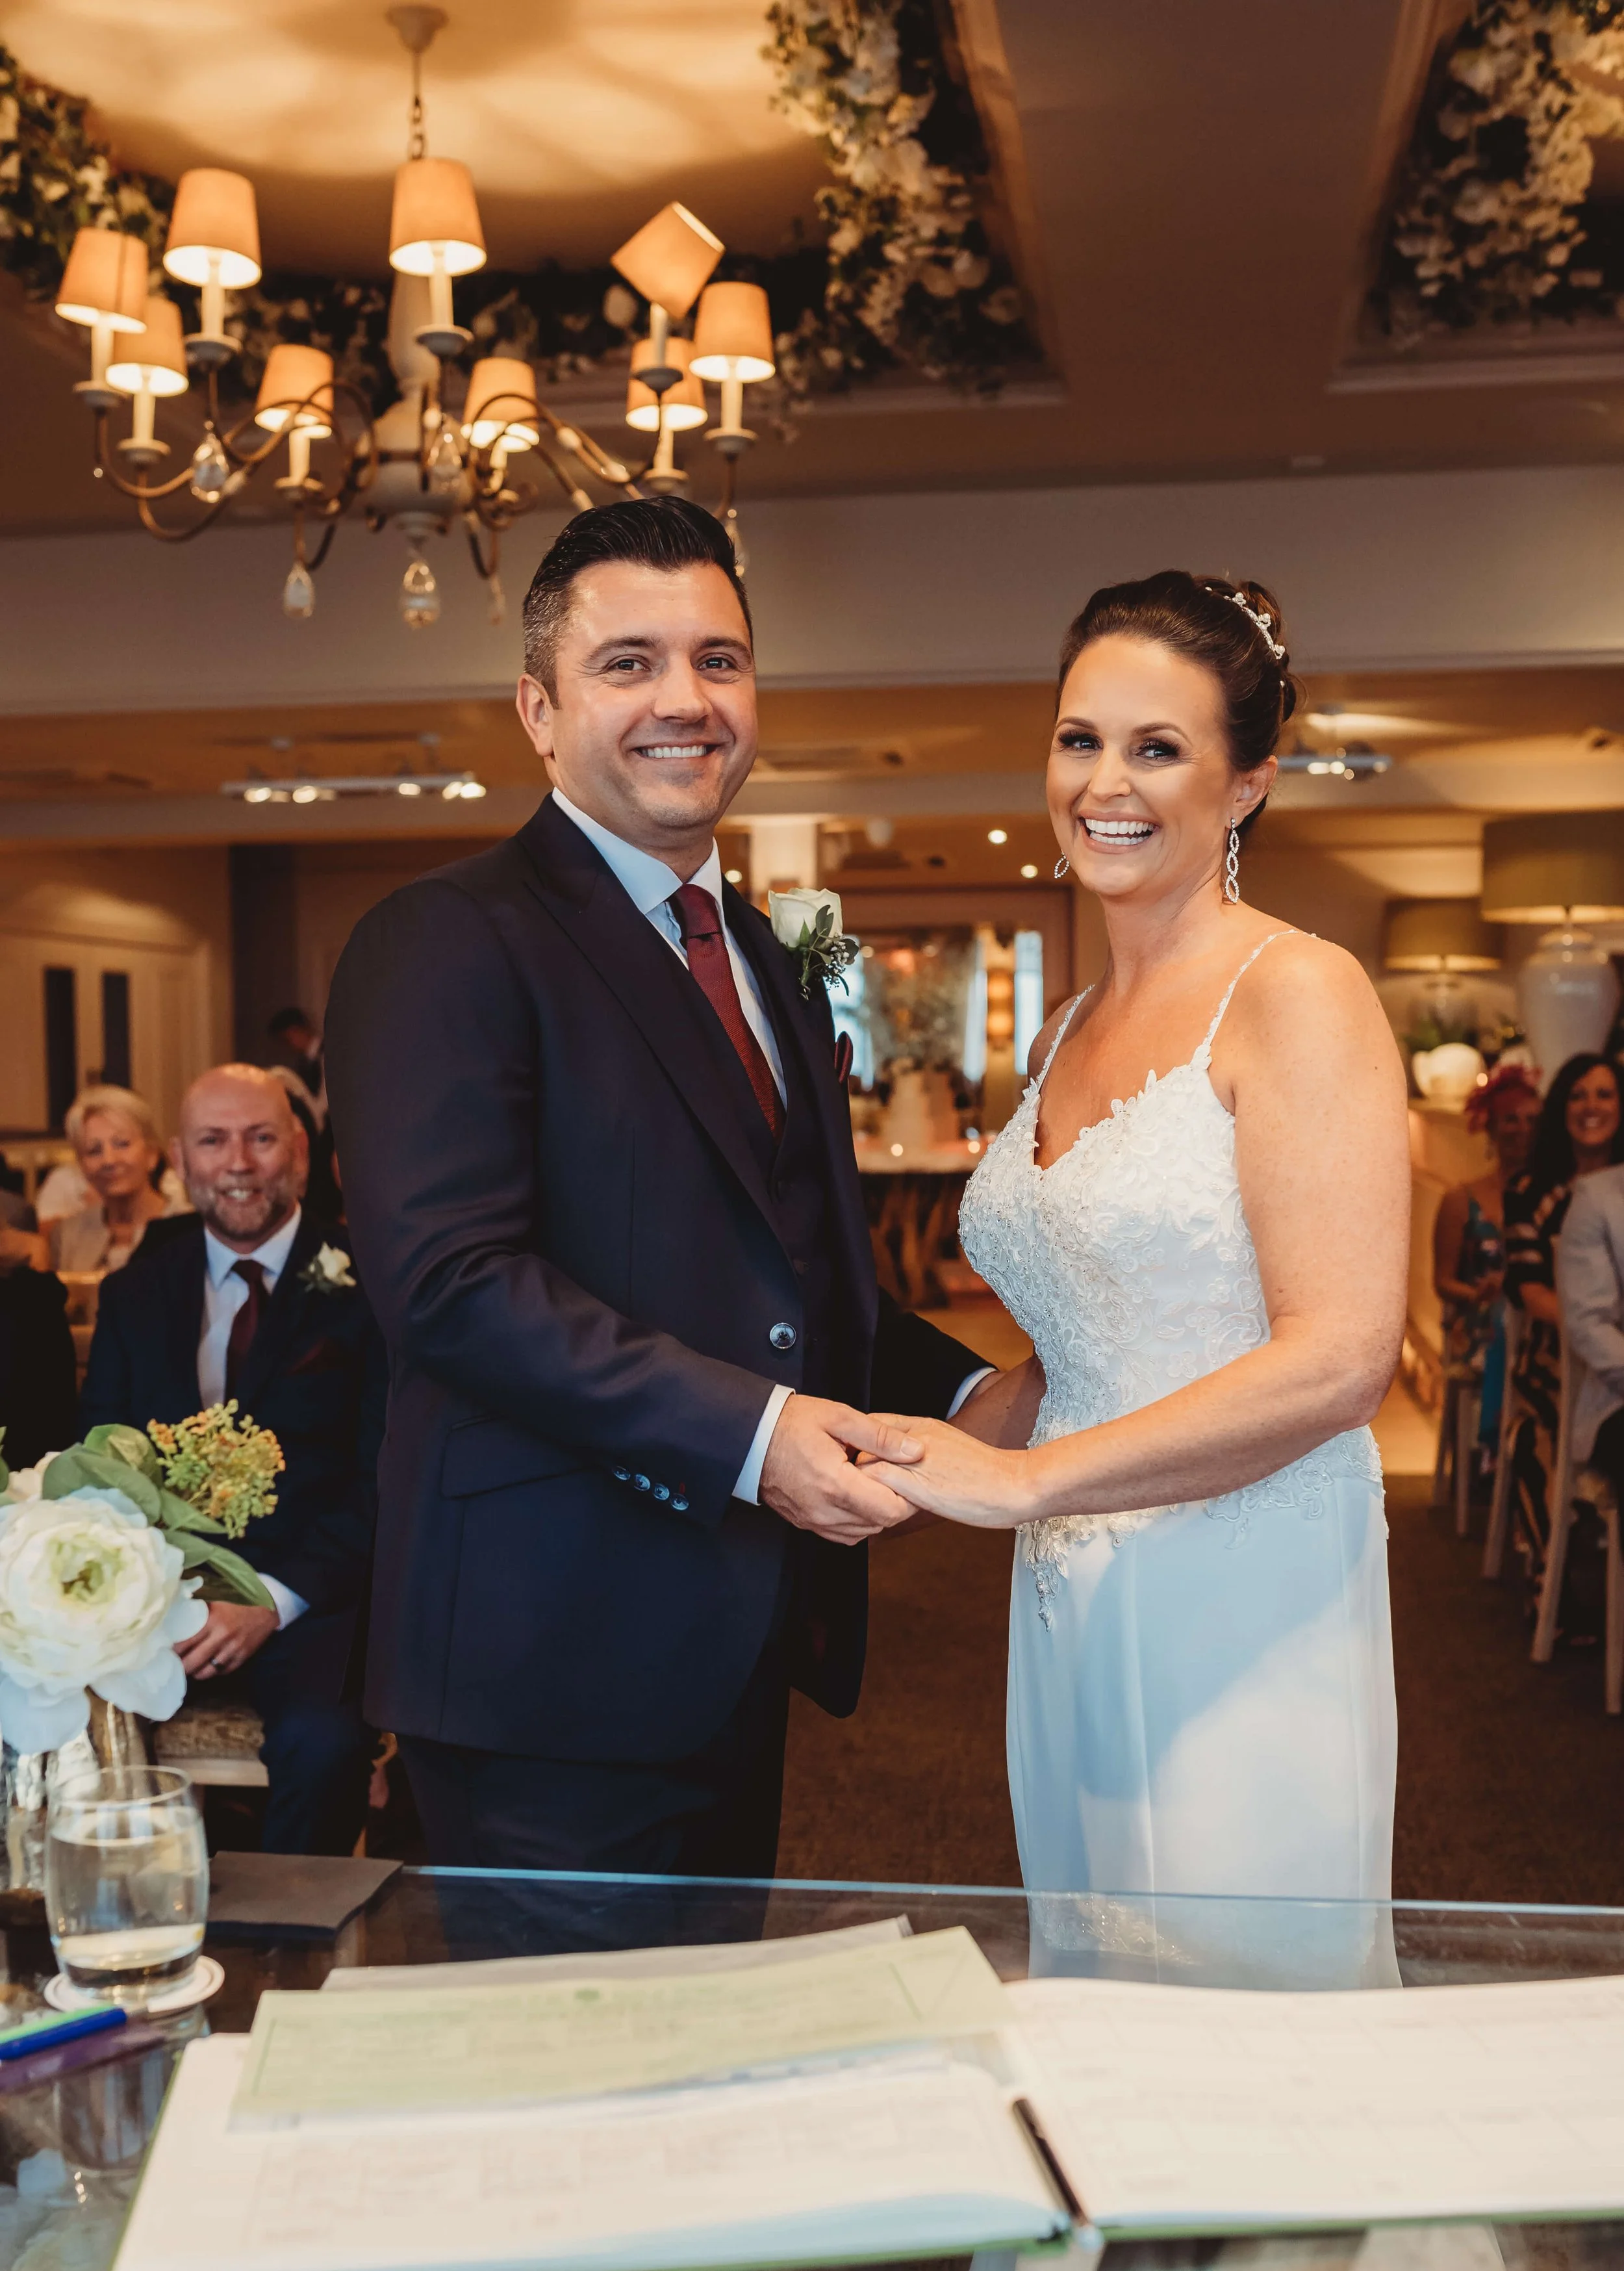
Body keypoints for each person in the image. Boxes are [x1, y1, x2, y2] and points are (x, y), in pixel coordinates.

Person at [324, 496, 988, 1888]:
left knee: (702, 2071)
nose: (683, 698)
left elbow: (786, 1268)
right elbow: (448, 1282)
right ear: (537, 709)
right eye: (627, 662)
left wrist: (976, 1395)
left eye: (719, 659)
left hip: (730, 1640)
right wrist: (757, 1436)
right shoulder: (444, 940)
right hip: (540, 1663)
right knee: (564, 2086)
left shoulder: (751, 945)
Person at [861, 571, 1410, 1984]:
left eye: (1157, 747)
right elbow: (1078, 1346)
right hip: (1069, 1592)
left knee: (1236, 2005)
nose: (1105, 781)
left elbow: (1342, 1354)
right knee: (1098, 1971)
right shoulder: (1066, 1024)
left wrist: (1030, 1482)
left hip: (1243, 1584)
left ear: (1245, 784)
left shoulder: (1295, 992)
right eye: (1078, 738)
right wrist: (889, 1461)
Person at [81, 1064, 385, 1855]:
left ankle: (286, 1952)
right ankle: (141, 1925)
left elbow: (385, 1476)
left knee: (325, 1746)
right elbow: (100, 1466)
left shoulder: (373, 1285)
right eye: (214, 1142)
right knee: (59, 1729)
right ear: (180, 1160)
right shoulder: (135, 1294)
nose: (239, 1164)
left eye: (260, 1138)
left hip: (312, 1601)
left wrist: (272, 1602)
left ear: (299, 1153)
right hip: (161, 1601)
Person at [1502, 1052, 1624, 1604]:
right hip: (1553, 1349)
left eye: (1603, 1094)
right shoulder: (1533, 1188)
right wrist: (1588, 1335)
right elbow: (1530, 1289)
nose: (1591, 1106)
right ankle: (1551, 1580)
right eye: (1578, 1095)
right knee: (1541, 1424)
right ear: (1561, 1108)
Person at [1433, 1063, 1542, 1463]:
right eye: (1510, 1119)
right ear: (1491, 1128)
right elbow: (1442, 1281)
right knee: (1502, 1318)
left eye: (1532, 1119)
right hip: (1480, 1326)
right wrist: (1477, 1290)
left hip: (1534, 1319)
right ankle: (1494, 1448)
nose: (1522, 1129)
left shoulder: (1551, 1198)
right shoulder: (1462, 1199)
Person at [48, 1086, 188, 1276]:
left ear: (151, 1154)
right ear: (81, 1165)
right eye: (94, 1150)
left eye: (122, 1144)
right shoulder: (68, 1235)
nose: (109, 1160)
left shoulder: (190, 1229)